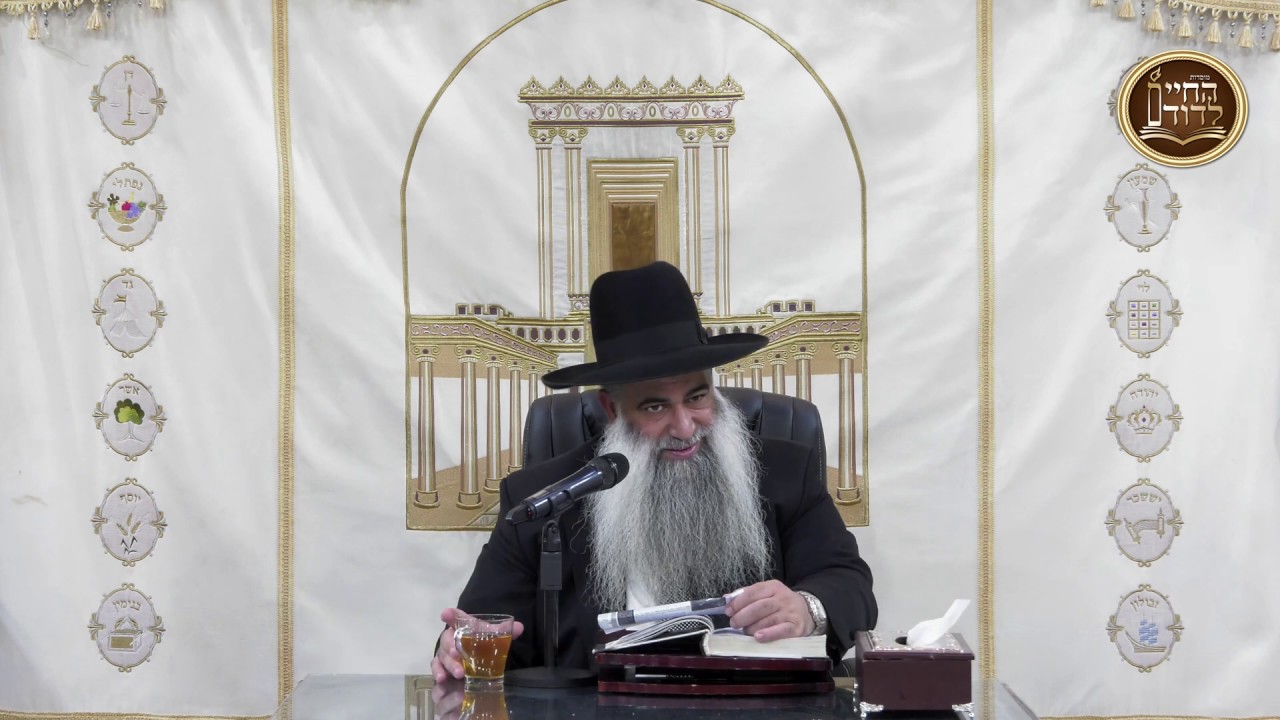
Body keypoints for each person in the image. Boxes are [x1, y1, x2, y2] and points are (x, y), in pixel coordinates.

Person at [432, 261, 876, 682]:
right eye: (655, 406)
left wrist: (806, 608)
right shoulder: (542, 498)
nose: (684, 428)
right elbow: (484, 626)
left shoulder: (786, 471)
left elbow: (849, 584)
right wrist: (460, 647)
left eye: (697, 397)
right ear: (611, 409)